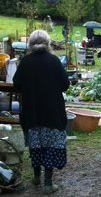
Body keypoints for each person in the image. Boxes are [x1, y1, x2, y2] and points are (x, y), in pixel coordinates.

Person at [13, 30, 70, 194]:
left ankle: (36, 177)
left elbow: (17, 85)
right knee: (51, 146)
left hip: (32, 112)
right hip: (52, 112)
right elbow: (65, 84)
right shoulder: (54, 61)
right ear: (48, 43)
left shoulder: (26, 62)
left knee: (35, 144)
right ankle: (48, 183)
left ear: (30, 44)